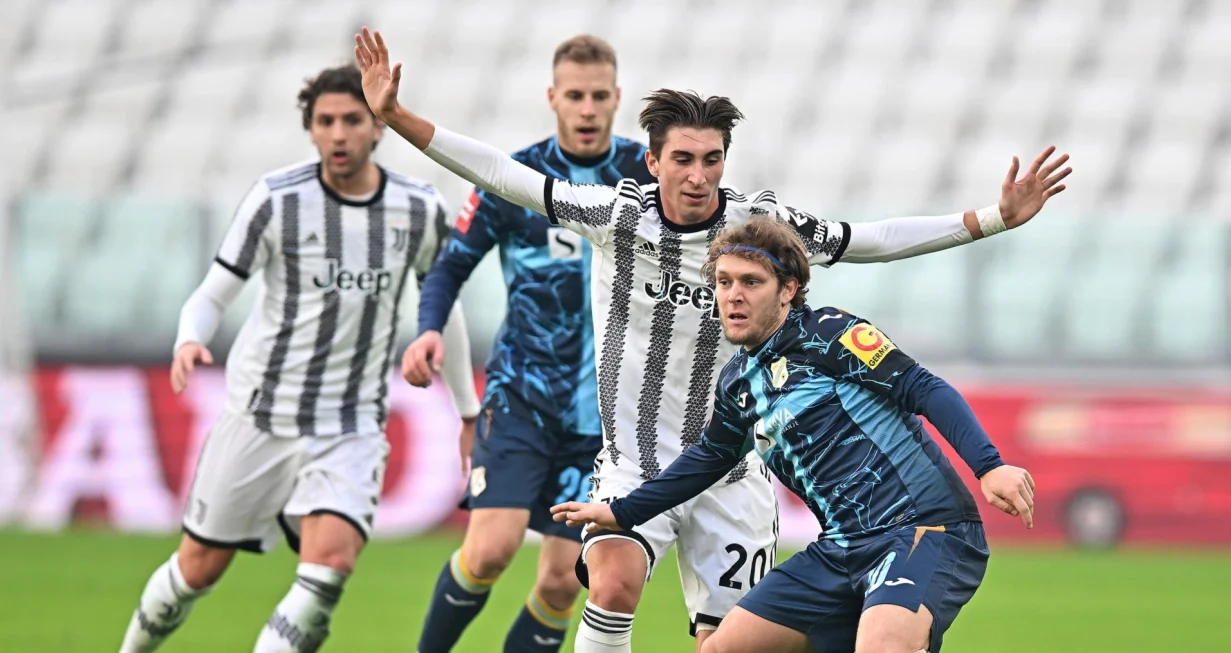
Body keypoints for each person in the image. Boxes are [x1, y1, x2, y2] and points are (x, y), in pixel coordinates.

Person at [353, 26, 1069, 652]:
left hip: (730, 470)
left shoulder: (762, 229)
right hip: (633, 462)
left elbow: (868, 239)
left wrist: (988, 218)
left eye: (712, 159)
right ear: (652, 160)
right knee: (612, 579)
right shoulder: (615, 215)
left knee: (721, 643)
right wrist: (399, 118)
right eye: (683, 159)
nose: (697, 175)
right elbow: (506, 176)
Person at [117, 65, 480, 653]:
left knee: (328, 568)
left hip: (350, 425)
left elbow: (447, 307)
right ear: (311, 131)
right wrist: (189, 338)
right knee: (197, 571)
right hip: (260, 415)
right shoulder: (277, 198)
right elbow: (214, 292)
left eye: (352, 120)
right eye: (326, 122)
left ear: (377, 128)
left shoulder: (418, 210)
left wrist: (467, 411)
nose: (339, 134)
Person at [551, 216, 1035, 653]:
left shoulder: (830, 334)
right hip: (842, 548)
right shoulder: (738, 380)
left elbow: (921, 387)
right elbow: (710, 458)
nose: (733, 295)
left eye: (750, 282)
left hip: (921, 529)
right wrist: (623, 512)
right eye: (723, 282)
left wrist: (989, 465)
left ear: (788, 289)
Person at [407, 35, 655, 653]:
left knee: (562, 583)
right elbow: (449, 265)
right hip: (523, 395)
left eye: (600, 96)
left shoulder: (647, 181)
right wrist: (429, 327)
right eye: (576, 95)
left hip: (602, 416)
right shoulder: (516, 178)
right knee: (488, 550)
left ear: (618, 97)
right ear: (553, 98)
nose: (589, 108)